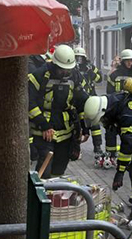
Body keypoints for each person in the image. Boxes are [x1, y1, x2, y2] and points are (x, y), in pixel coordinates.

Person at [84, 91, 132, 224]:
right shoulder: (113, 103)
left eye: (102, 118)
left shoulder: (127, 116)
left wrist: (120, 172)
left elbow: (128, 146)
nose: (103, 122)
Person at [27, 44, 89, 177]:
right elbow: (29, 103)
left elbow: (82, 102)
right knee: (45, 167)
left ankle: (55, 189)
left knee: (59, 169)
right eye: (62, 69)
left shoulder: (75, 76)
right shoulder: (40, 75)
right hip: (43, 131)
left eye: (68, 69)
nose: (65, 73)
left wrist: (85, 127)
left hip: (66, 131)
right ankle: (41, 188)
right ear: (55, 64)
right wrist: (44, 125)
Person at [105, 49, 132, 168]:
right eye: (127, 60)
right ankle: (111, 156)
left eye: (131, 60)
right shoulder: (113, 75)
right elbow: (109, 93)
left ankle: (131, 156)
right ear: (122, 61)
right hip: (116, 108)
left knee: (130, 134)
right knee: (111, 131)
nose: (129, 63)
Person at [75, 46, 105, 165]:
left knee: (95, 123)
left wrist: (91, 73)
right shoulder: (72, 68)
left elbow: (99, 79)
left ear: (84, 58)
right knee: (78, 124)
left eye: (80, 57)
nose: (79, 59)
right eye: (77, 57)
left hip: (91, 98)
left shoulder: (90, 67)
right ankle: (76, 147)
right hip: (78, 99)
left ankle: (97, 146)